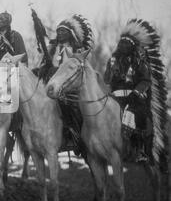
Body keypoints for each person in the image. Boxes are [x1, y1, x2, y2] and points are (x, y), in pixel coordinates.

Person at [104, 19, 163, 162]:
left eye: (127, 43)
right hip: (115, 98)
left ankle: (141, 150)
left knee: (138, 116)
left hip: (134, 98)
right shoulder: (112, 60)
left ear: (132, 47)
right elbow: (106, 80)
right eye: (121, 43)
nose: (123, 45)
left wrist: (136, 93)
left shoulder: (139, 62)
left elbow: (146, 80)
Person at [49, 14, 95, 156]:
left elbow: (79, 69)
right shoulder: (52, 49)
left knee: (69, 106)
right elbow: (47, 65)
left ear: (70, 33)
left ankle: (75, 136)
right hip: (53, 84)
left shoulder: (78, 50)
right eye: (58, 31)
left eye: (63, 31)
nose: (60, 33)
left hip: (71, 87)